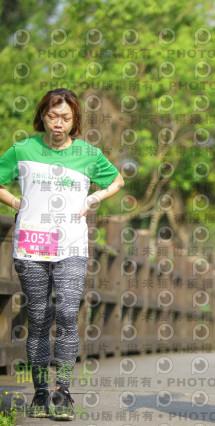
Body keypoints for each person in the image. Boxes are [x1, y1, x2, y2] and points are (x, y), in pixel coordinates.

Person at [0, 88, 124, 419]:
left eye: (66, 118)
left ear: (75, 121)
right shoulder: (23, 149)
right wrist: (15, 202)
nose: (58, 123)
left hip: (71, 245)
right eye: (53, 116)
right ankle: (40, 394)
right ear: (42, 116)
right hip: (31, 244)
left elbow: (117, 180)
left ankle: (64, 392)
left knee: (68, 312)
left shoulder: (88, 153)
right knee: (39, 318)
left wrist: (93, 199)